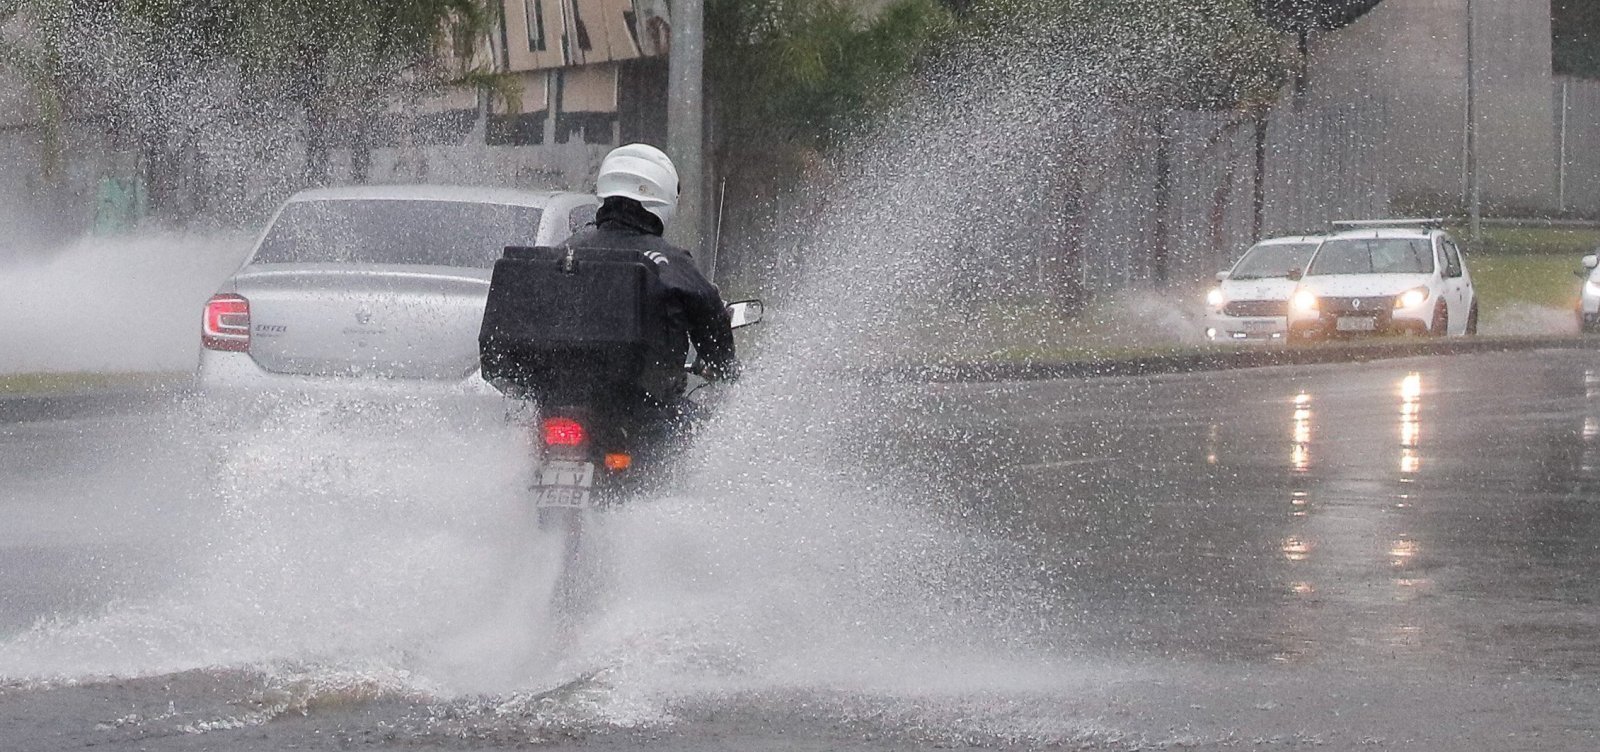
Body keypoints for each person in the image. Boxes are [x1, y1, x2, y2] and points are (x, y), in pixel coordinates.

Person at [559, 144, 738, 412]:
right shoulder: (672, 263)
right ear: (663, 194)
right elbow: (710, 321)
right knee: (706, 426)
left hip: (561, 400)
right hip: (645, 411)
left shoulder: (564, 251)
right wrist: (725, 367)